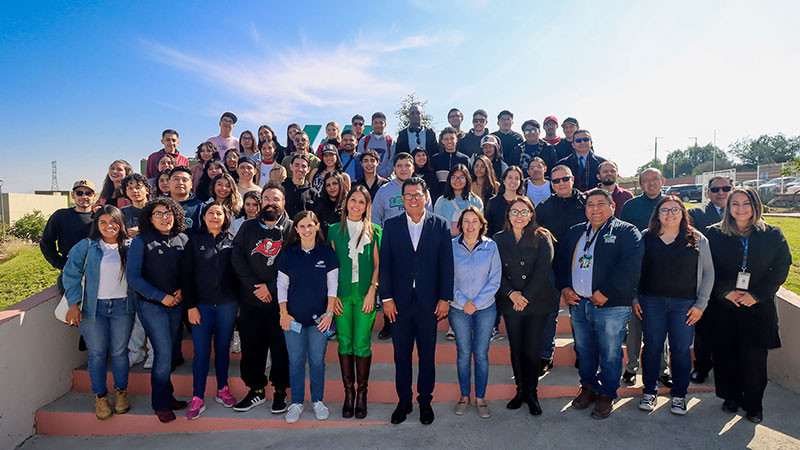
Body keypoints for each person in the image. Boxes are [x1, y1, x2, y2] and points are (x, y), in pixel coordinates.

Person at [555, 188, 644, 419]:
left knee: (610, 353)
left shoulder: (626, 232)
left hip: (611, 306)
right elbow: (561, 263)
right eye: (590, 205)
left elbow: (630, 267)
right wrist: (565, 287)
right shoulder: (576, 232)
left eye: (600, 204)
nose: (595, 209)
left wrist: (606, 292)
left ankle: (607, 394)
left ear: (612, 206)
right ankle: (588, 387)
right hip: (579, 304)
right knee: (584, 351)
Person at [706, 187, 791, 424]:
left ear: (755, 206)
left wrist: (757, 294)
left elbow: (782, 267)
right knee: (725, 356)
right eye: (735, 204)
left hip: (757, 307)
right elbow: (706, 267)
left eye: (746, 203)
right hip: (725, 305)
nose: (740, 209)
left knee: (754, 359)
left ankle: (754, 405)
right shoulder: (714, 234)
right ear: (728, 207)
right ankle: (730, 397)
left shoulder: (772, 234)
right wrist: (725, 291)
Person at [380, 177, 454, 425]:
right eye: (408, 195)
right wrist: (387, 298)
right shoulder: (391, 225)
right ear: (402, 199)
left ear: (426, 197)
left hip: (428, 303)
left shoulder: (440, 225)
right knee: (401, 356)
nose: (413, 199)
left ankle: (424, 401)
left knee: (426, 355)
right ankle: (404, 402)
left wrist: (445, 298)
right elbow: (386, 266)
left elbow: (446, 264)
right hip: (399, 304)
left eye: (417, 195)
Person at [636, 196, 714, 416]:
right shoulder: (646, 237)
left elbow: (708, 272)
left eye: (675, 209)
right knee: (652, 348)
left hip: (686, 305)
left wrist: (701, 304)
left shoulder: (697, 238)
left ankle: (679, 395)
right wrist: (635, 298)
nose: (669, 214)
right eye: (664, 210)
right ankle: (649, 391)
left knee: (680, 350)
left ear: (683, 212)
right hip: (651, 302)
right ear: (657, 214)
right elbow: (635, 271)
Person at [62, 205, 134, 420]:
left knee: (120, 352)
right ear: (97, 225)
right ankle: (100, 396)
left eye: (113, 221)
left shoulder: (129, 246)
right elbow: (70, 274)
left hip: (123, 306)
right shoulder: (86, 246)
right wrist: (74, 304)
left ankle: (121, 393)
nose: (108, 226)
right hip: (93, 308)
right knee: (97, 353)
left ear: (120, 223)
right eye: (102, 222)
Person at [126, 197, 190, 423]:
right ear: (150, 218)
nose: (165, 218)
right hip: (152, 305)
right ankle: (160, 403)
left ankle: (168, 395)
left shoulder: (183, 238)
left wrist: (182, 290)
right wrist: (160, 296)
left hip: (177, 304)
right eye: (159, 214)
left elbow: (188, 271)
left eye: (169, 213)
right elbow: (133, 278)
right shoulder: (141, 242)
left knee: (171, 353)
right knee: (162, 354)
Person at [230, 184, 292, 415]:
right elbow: (237, 259)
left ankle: (280, 392)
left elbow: (293, 267)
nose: (270, 203)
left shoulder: (292, 229)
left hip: (281, 304)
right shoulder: (247, 227)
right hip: (251, 301)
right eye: (266, 198)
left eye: (275, 199)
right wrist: (256, 287)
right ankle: (255, 390)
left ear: (283, 203)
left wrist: (271, 288)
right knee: (252, 349)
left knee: (281, 350)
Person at [494, 197, 558, 416]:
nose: (519, 216)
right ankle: (520, 391)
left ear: (531, 214)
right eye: (514, 211)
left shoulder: (542, 237)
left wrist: (525, 297)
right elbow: (495, 271)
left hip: (536, 301)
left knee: (532, 349)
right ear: (508, 215)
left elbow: (543, 271)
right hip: (511, 301)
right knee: (516, 348)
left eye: (524, 212)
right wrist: (512, 294)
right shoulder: (499, 239)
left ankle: (532, 393)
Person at [278, 211, 339, 423]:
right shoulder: (287, 254)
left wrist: (329, 313)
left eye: (310, 225)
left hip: (319, 320)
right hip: (292, 319)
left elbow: (333, 285)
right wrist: (283, 314)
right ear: (295, 229)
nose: (306, 230)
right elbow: (281, 286)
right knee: (295, 361)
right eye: (302, 226)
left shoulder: (327, 254)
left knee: (316, 361)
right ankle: (296, 403)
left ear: (317, 226)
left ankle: (317, 401)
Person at [327, 186, 382, 419]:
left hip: (364, 295)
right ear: (346, 202)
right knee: (344, 342)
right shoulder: (333, 231)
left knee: (361, 343)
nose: (356, 205)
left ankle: (362, 394)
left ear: (367, 206)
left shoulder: (376, 231)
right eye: (353, 200)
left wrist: (372, 291)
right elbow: (330, 267)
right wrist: (333, 297)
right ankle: (348, 393)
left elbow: (378, 265)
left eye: (361, 201)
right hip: (341, 294)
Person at [181, 203, 239, 419]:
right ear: (203, 217)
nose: (215, 216)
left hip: (227, 305)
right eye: (211, 213)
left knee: (223, 349)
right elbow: (185, 277)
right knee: (201, 352)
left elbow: (238, 276)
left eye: (219, 213)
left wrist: (239, 305)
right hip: (201, 307)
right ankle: (198, 397)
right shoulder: (194, 242)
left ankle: (222, 389)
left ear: (225, 217)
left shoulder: (233, 242)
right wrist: (191, 306)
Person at [620, 167, 671, 386]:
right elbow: (622, 234)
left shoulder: (670, 205)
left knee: (660, 325)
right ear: (640, 184)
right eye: (646, 180)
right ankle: (632, 366)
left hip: (663, 272)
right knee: (635, 324)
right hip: (636, 270)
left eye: (655, 180)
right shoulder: (631, 205)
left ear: (663, 181)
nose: (651, 184)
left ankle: (662, 368)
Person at [535, 165, 587, 371]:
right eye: (556, 181)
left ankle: (583, 353)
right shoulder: (544, 207)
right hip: (552, 266)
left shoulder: (586, 203)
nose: (561, 184)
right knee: (549, 313)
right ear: (551, 184)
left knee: (581, 313)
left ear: (572, 179)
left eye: (564, 179)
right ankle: (545, 355)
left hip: (582, 266)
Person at [449, 206, 500, 418]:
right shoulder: (451, 246)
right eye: (466, 221)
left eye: (474, 221)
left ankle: (480, 397)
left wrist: (476, 303)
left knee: (480, 354)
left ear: (481, 224)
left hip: (485, 308)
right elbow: (447, 278)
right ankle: (464, 396)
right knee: (463, 354)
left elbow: (495, 278)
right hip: (459, 308)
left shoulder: (491, 246)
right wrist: (463, 301)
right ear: (460, 225)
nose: (470, 225)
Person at [688, 175, 733, 383]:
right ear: (708, 193)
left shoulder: (740, 211)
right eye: (715, 190)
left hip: (732, 280)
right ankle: (702, 367)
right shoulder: (697, 213)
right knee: (704, 327)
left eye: (725, 188)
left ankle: (726, 367)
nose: (721, 193)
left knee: (730, 328)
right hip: (705, 278)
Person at [41, 179, 96, 294]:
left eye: (88, 193)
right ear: (73, 195)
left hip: (96, 272)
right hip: (70, 274)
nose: (84, 196)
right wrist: (61, 264)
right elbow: (46, 243)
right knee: (71, 309)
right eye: (79, 193)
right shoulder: (61, 216)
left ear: (94, 196)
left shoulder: (100, 218)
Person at [371, 152, 432, 228]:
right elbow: (374, 217)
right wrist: (381, 236)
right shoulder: (384, 190)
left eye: (407, 165)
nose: (403, 169)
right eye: (399, 166)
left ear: (413, 168)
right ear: (394, 169)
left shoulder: (422, 190)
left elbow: (429, 216)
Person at [434, 165, 483, 236]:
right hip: (447, 243)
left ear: (467, 179)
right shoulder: (441, 201)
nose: (457, 180)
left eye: (462, 177)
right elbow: (437, 227)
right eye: (454, 177)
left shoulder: (476, 201)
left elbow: (480, 226)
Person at [485, 166, 524, 237]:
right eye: (510, 177)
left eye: (516, 178)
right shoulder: (493, 202)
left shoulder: (525, 202)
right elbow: (488, 227)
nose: (513, 181)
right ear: (504, 180)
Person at [431, 127, 470, 194]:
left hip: (460, 196)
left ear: (456, 140)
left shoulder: (464, 159)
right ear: (442, 141)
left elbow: (469, 180)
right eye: (446, 139)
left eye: (452, 138)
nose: (449, 141)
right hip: (440, 197)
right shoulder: (435, 158)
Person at [357, 112, 395, 178]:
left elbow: (392, 163)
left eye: (381, 123)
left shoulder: (391, 141)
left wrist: (378, 176)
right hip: (367, 179)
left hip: (385, 180)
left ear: (385, 124)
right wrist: (371, 175)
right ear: (372, 124)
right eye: (376, 123)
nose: (378, 125)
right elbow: (360, 160)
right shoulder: (364, 140)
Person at [168, 167, 204, 236]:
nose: (180, 183)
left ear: (191, 184)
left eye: (185, 180)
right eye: (176, 179)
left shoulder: (201, 207)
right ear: (169, 182)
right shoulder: (159, 205)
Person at [282, 153, 319, 219]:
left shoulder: (313, 193)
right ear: (291, 166)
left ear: (308, 169)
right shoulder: (281, 189)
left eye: (303, 166)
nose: (300, 169)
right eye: (297, 165)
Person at [313, 172, 345, 238]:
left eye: (335, 183)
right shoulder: (319, 203)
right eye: (328, 185)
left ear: (340, 184)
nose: (332, 187)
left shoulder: (348, 203)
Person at [120, 174, 150, 238]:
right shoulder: (121, 213)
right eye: (130, 188)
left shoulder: (156, 209)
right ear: (126, 192)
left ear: (147, 190)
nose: (134, 191)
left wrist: (141, 231)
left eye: (138, 187)